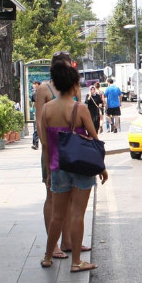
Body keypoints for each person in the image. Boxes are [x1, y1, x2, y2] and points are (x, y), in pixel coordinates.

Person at [39, 60, 107, 272]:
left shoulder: (46, 110)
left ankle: (48, 256)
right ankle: (76, 261)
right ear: (74, 85)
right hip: (82, 167)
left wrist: (49, 172)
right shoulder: (81, 109)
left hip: (58, 166)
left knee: (57, 215)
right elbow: (95, 140)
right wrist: (101, 167)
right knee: (77, 214)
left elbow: (46, 144)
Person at [35, 52, 81, 259]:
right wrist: (47, 146)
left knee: (71, 195)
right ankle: (52, 245)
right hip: (53, 150)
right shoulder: (44, 89)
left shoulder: (73, 87)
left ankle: (69, 241)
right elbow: (39, 121)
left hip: (72, 149)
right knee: (52, 195)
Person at [30, 80, 42, 150]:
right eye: (33, 84)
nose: (34, 85)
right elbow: (34, 103)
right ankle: (35, 143)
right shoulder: (34, 94)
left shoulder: (42, 93)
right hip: (38, 112)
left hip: (43, 111)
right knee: (36, 128)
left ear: (38, 84)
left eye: (35, 84)